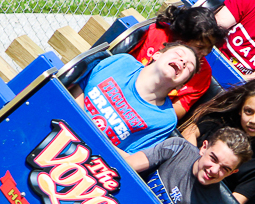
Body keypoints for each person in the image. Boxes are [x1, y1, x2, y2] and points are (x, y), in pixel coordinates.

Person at [121, 127, 253, 204]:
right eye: (213, 159)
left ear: (232, 173)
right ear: (204, 148)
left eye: (225, 169)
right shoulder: (177, 147)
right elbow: (125, 167)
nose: (214, 170)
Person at [70, 43, 199, 153]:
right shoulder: (123, 62)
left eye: (188, 67)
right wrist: (82, 124)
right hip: (67, 116)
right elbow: (78, 85)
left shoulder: (165, 119)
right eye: (179, 54)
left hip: (88, 153)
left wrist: (90, 138)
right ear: (157, 55)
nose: (183, 61)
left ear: (181, 85)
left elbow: (129, 156)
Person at [180, 79, 255, 204]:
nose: (254, 120)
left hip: (203, 200)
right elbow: (190, 130)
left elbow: (235, 202)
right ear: (240, 109)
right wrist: (194, 164)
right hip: (183, 169)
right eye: (249, 111)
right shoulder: (224, 116)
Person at [129, 5, 228, 119]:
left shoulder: (203, 74)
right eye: (200, 47)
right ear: (181, 39)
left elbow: (178, 110)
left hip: (146, 114)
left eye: (210, 47)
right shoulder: (156, 33)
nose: (205, 52)